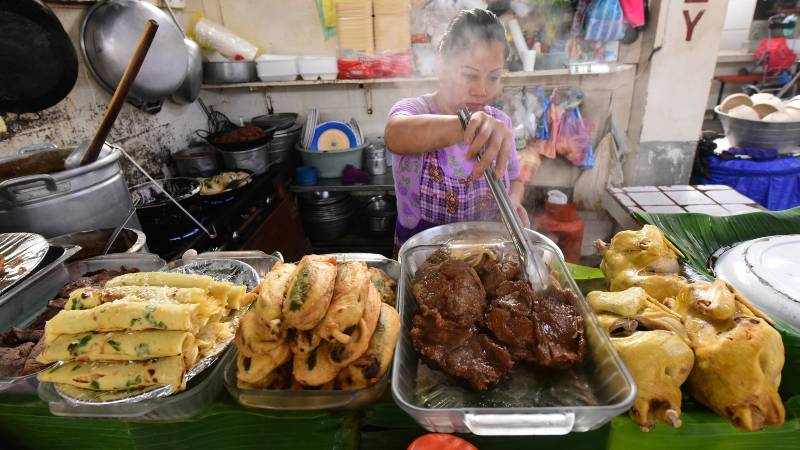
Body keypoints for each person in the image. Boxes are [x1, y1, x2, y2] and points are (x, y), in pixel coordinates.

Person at [384, 8, 527, 252]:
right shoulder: (414, 111)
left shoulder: (500, 123)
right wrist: (467, 126)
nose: (481, 90)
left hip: (486, 256)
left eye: (493, 77)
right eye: (469, 75)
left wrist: (512, 204)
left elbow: (515, 178)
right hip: (422, 261)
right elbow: (395, 135)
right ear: (442, 65)